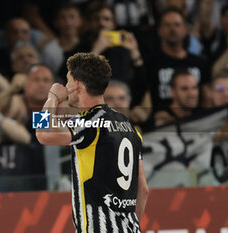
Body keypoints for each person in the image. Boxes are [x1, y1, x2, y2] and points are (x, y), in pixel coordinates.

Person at [36, 53, 148, 232]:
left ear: (78, 85)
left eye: (68, 81)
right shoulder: (128, 125)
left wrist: (52, 99)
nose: (66, 87)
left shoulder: (89, 121)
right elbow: (143, 189)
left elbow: (42, 133)